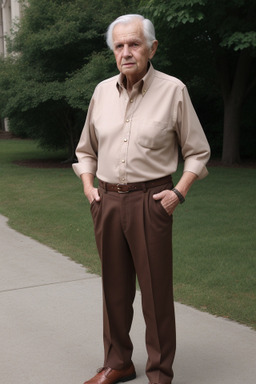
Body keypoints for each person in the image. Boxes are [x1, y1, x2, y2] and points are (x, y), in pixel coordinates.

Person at [73, 14, 210, 384]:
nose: (126, 52)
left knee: (155, 293)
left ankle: (160, 373)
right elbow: (85, 150)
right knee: (113, 290)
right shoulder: (101, 92)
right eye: (119, 46)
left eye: (134, 44)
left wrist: (178, 192)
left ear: (152, 48)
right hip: (106, 201)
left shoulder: (173, 90)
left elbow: (197, 152)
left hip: (152, 201)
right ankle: (118, 362)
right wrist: (89, 188)